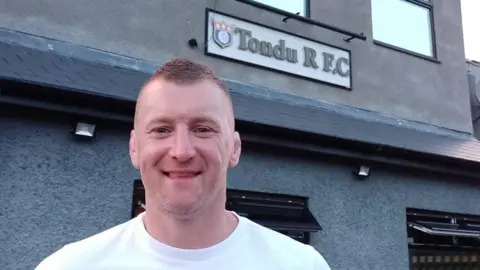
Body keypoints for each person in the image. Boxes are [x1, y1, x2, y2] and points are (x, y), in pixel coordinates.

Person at [35, 58, 331, 269]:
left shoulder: (301, 264)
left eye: (203, 129)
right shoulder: (68, 266)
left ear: (234, 148)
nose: (181, 151)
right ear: (135, 148)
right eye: (162, 130)